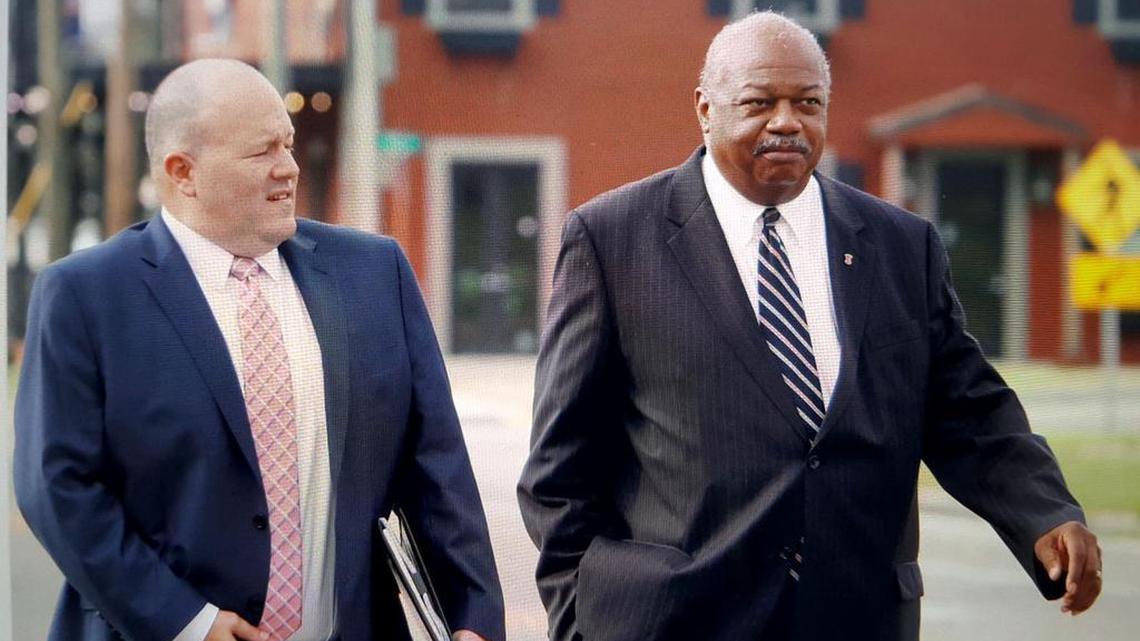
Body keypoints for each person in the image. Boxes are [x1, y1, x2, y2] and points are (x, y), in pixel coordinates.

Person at [517, 11, 1102, 641]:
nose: (787, 121)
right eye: (760, 102)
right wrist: (582, 618)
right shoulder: (612, 241)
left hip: (859, 616)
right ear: (705, 108)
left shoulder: (902, 247)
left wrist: (1045, 513)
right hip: (675, 621)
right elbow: (560, 472)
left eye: (808, 102)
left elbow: (968, 412)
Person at [15, 59, 504, 641]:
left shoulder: (375, 274)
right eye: (262, 152)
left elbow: (438, 466)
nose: (289, 169)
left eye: (290, 146)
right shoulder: (85, 295)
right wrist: (187, 623)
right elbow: (58, 485)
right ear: (183, 172)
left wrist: (473, 618)